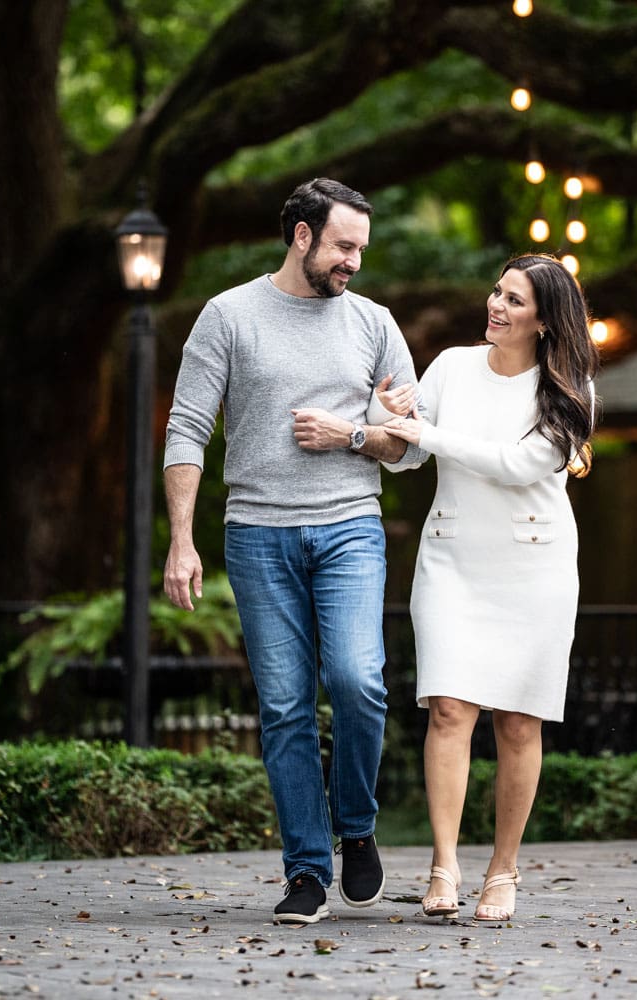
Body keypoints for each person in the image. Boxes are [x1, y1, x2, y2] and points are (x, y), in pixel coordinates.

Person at [162, 178, 426, 926]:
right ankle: (307, 870)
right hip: (256, 534)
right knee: (283, 709)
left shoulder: (373, 324)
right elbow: (186, 430)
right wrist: (182, 540)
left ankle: (358, 824)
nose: (354, 263)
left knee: (357, 679)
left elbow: (411, 449)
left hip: (349, 526)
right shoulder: (228, 317)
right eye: (344, 246)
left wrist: (353, 435)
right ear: (302, 236)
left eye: (361, 249)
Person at [380, 253, 599, 923]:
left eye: (515, 300)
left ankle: (503, 871)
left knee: (518, 721)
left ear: (544, 321)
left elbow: (516, 465)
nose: (496, 306)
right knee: (448, 709)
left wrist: (430, 432)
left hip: (534, 569)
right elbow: (410, 451)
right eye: (497, 292)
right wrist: (386, 414)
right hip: (451, 560)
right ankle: (444, 865)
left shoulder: (572, 388)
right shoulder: (449, 367)